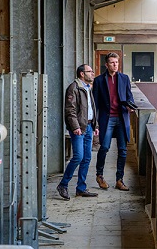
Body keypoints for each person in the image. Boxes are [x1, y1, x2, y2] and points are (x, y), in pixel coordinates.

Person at [93, 52, 135, 191]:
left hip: (122, 117)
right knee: (104, 147)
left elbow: (130, 96)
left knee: (123, 150)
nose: (115, 64)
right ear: (106, 64)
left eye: (116, 62)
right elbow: (95, 104)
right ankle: (99, 175)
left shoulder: (124, 78)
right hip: (107, 118)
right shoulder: (99, 80)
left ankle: (119, 180)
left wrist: (131, 106)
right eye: (112, 62)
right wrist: (95, 123)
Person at [57, 64, 99, 200]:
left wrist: (95, 125)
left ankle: (81, 188)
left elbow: (92, 108)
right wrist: (75, 127)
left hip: (88, 127)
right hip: (79, 129)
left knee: (87, 158)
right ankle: (63, 184)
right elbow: (70, 110)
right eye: (90, 71)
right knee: (78, 157)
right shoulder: (74, 88)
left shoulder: (87, 88)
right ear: (82, 74)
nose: (92, 73)